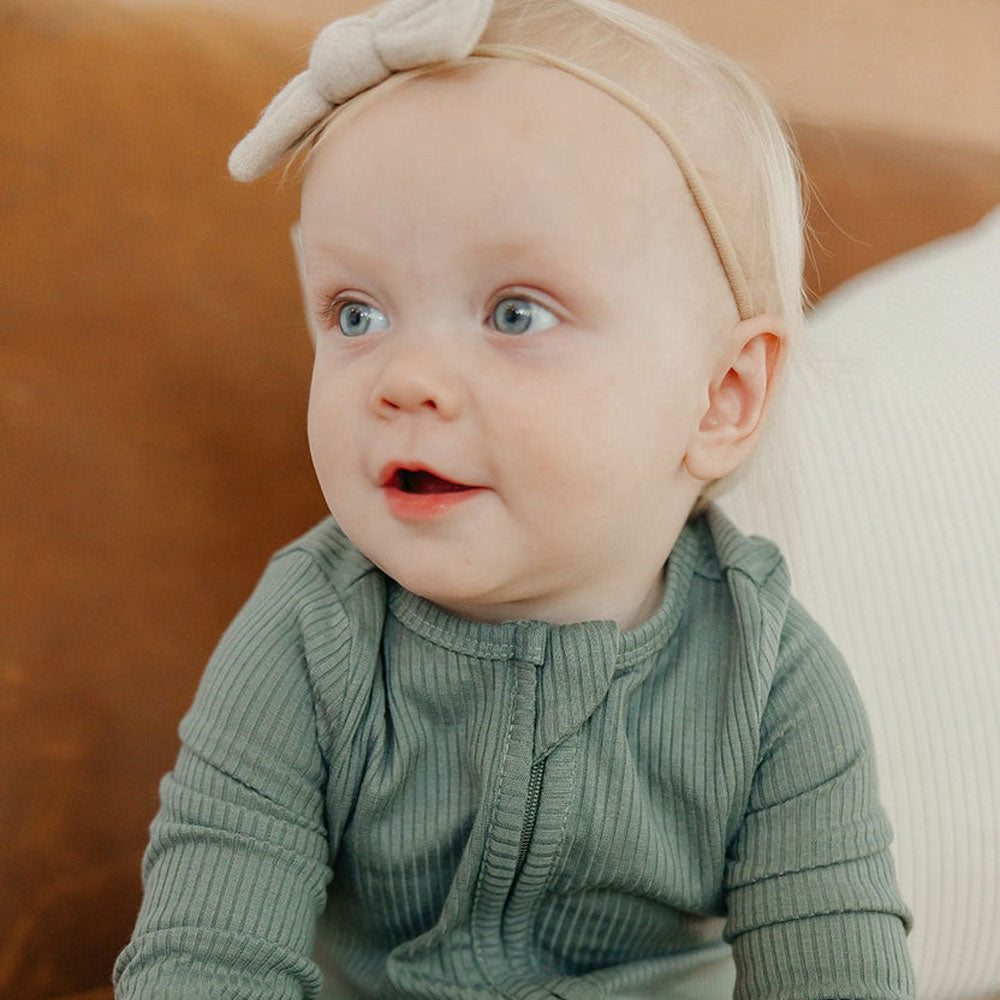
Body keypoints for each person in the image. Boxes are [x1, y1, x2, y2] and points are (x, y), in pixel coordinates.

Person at [113, 0, 914, 996]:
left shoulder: (772, 684)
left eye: (516, 313)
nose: (406, 379)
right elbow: (205, 956)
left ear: (721, 396)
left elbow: (838, 972)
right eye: (356, 314)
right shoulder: (309, 635)